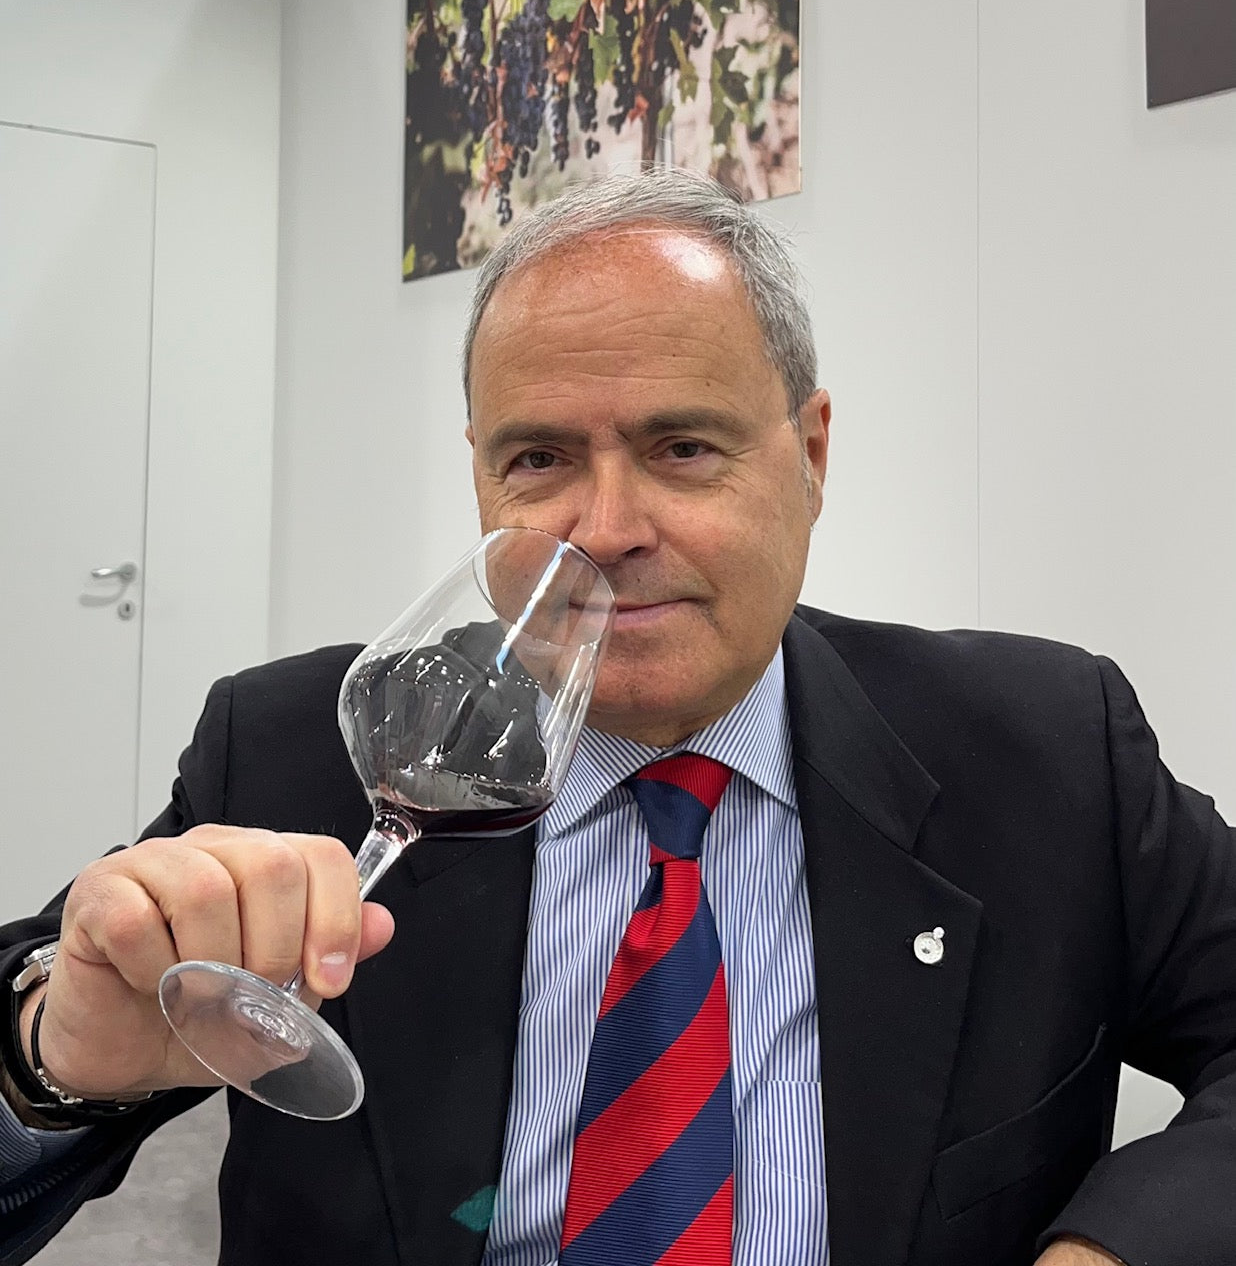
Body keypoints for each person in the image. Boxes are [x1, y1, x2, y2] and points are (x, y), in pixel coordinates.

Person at [1, 169, 1234, 1266]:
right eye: (538, 459)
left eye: (683, 447)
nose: (606, 529)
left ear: (811, 455)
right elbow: (61, 1027)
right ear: (480, 473)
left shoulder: (1044, 753)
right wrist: (49, 1061)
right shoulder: (295, 752)